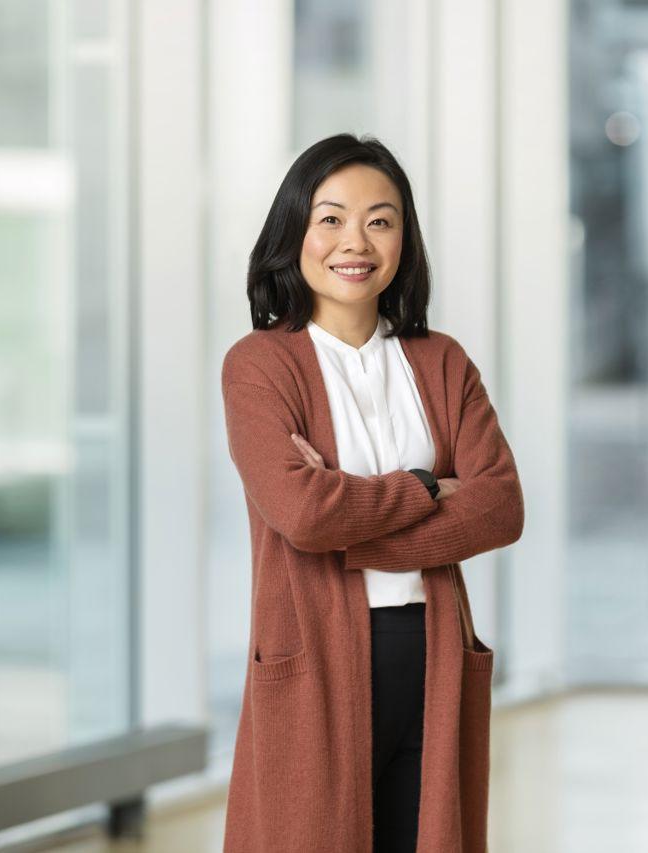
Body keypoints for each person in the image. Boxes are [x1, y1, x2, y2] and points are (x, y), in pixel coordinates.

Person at [219, 133, 524, 852]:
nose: (355, 241)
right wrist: (426, 487)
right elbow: (300, 511)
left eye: (380, 220)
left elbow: (501, 504)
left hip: (432, 654)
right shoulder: (259, 365)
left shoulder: (441, 360)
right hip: (314, 659)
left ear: (403, 240)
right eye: (331, 218)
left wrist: (344, 519)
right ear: (293, 231)